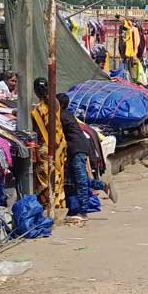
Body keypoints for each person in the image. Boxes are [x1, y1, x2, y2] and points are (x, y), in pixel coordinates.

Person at [56, 93, 117, 222]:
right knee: (76, 179)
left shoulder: (61, 116)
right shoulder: (67, 114)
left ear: (59, 104)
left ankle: (83, 212)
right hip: (80, 147)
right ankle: (103, 185)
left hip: (77, 149)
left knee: (80, 181)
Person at [30, 78, 66, 210]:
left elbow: (35, 127)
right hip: (59, 144)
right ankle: (58, 204)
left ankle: (48, 207)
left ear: (35, 91)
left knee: (45, 180)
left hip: (45, 148)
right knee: (58, 176)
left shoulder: (36, 110)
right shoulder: (55, 103)